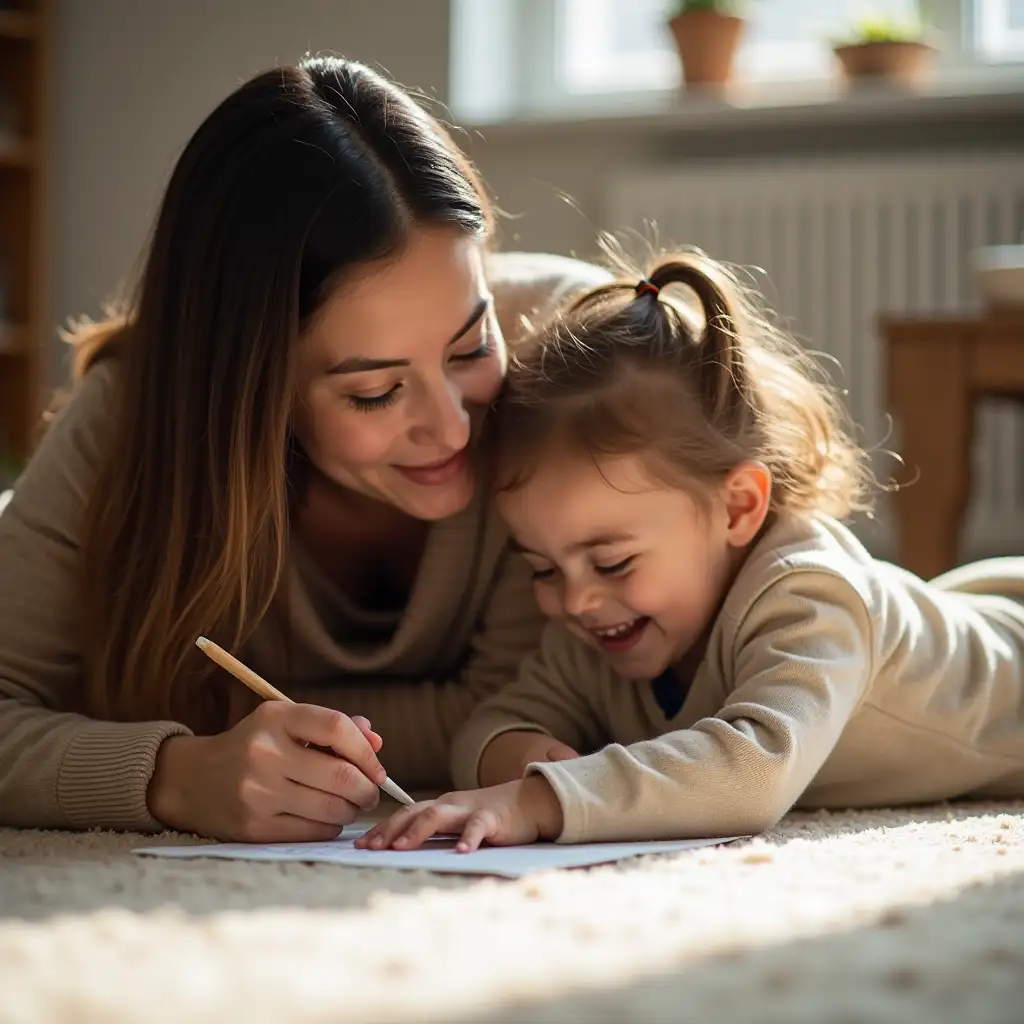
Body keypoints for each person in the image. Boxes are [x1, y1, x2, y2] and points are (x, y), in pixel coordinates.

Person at [0, 56, 608, 840]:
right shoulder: (132, 418)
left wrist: (215, 713)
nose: (454, 428)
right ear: (253, 382)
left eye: (468, 346)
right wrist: (174, 776)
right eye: (375, 391)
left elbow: (765, 511)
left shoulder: (573, 356)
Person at [359, 250, 1024, 854]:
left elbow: (755, 770)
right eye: (541, 568)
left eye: (612, 561)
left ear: (737, 507)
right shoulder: (595, 627)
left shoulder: (810, 594)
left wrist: (542, 800)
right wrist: (518, 756)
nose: (576, 598)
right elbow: (495, 718)